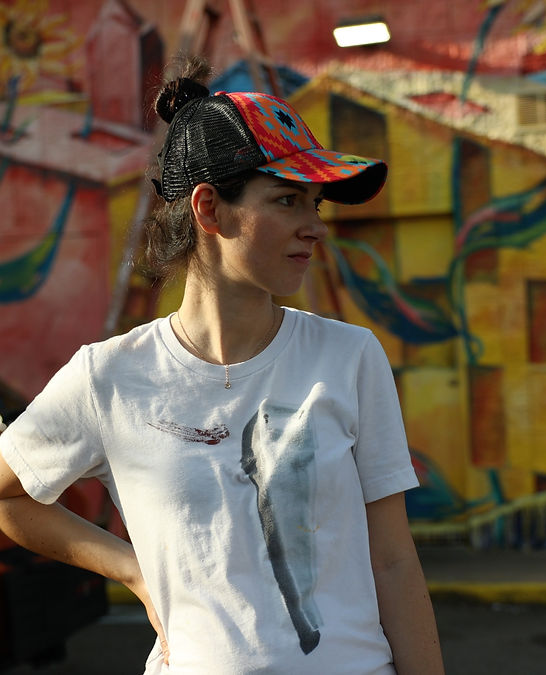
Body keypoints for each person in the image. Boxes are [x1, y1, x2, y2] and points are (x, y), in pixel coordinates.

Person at [0, 56, 444, 674]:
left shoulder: (350, 356)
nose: (315, 227)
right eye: (289, 200)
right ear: (209, 209)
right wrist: (133, 570)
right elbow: (9, 498)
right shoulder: (110, 377)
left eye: (316, 205)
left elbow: (393, 561)